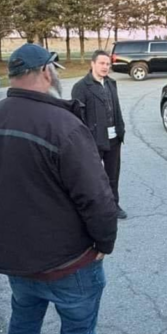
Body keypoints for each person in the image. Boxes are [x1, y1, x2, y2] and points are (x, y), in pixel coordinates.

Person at [0, 43, 118, 334]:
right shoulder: (64, 125)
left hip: (16, 257)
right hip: (68, 260)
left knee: (23, 320)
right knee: (78, 333)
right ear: (46, 72)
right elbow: (96, 197)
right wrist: (104, 243)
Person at [71, 50, 128, 220]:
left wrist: (121, 128)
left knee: (113, 176)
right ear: (93, 64)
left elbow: (115, 108)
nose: (105, 67)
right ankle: (94, 209)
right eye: (102, 63)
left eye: (108, 64)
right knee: (93, 178)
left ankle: (113, 206)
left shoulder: (111, 83)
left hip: (114, 139)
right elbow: (77, 118)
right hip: (94, 141)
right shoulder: (81, 87)